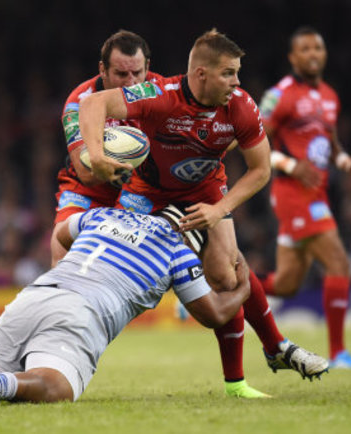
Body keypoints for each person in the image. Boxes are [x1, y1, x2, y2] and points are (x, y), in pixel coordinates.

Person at [77, 29, 328, 397]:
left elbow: (261, 170)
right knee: (118, 275)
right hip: (146, 194)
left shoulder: (241, 106)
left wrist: (220, 209)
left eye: (237, 72)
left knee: (227, 274)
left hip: (205, 191)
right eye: (228, 73)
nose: (237, 81)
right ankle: (70, 341)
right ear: (201, 75)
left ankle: (245, 376)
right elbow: (92, 104)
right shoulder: (159, 96)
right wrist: (96, 156)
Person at [0, 206, 274, 404]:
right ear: (193, 238)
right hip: (82, 311)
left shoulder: (105, 215)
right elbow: (214, 314)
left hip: (36, 294)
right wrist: (244, 289)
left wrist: (64, 268)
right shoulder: (178, 250)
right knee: (58, 386)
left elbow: (60, 232)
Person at [257, 26, 351, 369]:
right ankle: (338, 353)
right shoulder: (279, 95)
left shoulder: (330, 97)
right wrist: (291, 166)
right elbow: (258, 145)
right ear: (293, 57)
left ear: (324, 54)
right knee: (338, 261)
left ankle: (218, 290)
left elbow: (329, 146)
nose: (312, 54)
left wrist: (347, 163)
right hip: (293, 193)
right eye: (304, 49)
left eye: (317, 48)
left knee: (287, 283)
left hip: (316, 191)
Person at [51, 30, 161, 266]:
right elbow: (85, 173)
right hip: (89, 189)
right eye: (121, 74)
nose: (131, 83)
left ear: (147, 66)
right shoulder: (78, 102)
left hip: (143, 188)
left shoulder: (161, 92)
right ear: (103, 70)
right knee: (61, 250)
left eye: (137, 73)